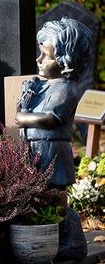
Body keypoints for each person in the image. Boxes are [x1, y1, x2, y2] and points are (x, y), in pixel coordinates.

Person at [16, 17, 92, 188]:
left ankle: (61, 214)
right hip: (32, 149)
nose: (38, 59)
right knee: (35, 191)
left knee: (54, 192)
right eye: (40, 53)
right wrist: (26, 96)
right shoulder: (42, 86)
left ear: (65, 61)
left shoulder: (65, 88)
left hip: (52, 151)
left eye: (46, 56)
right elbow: (23, 107)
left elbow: (50, 119)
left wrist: (22, 118)